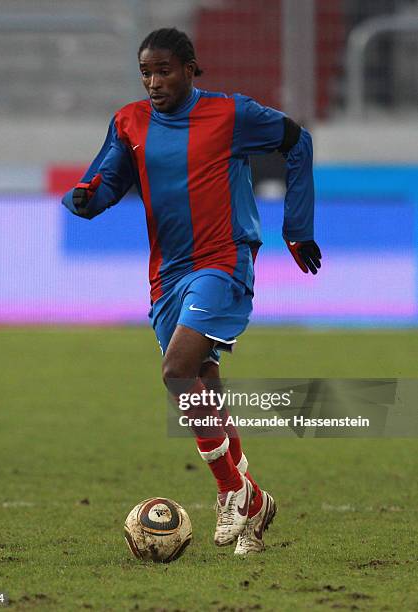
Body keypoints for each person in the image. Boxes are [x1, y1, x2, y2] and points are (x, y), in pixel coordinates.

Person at [62, 27, 321, 555]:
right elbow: (110, 177)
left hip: (224, 260)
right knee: (202, 383)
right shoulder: (129, 121)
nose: (154, 82)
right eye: (146, 73)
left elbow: (298, 142)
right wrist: (88, 196)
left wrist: (296, 228)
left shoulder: (232, 114)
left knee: (176, 372)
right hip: (167, 274)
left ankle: (231, 492)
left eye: (164, 71)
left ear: (189, 68)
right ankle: (252, 504)